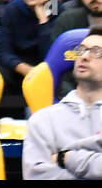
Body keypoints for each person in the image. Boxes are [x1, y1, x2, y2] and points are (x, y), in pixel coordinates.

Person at [23, 31, 102, 179]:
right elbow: (37, 176)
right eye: (81, 49)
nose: (84, 56)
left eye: (97, 52)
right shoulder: (43, 120)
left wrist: (67, 158)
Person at [0, 0, 59, 86]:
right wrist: (25, 69)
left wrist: (43, 20)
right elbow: (2, 51)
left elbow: (52, 55)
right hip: (20, 69)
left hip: (50, 72)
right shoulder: (12, 9)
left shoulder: (60, 11)